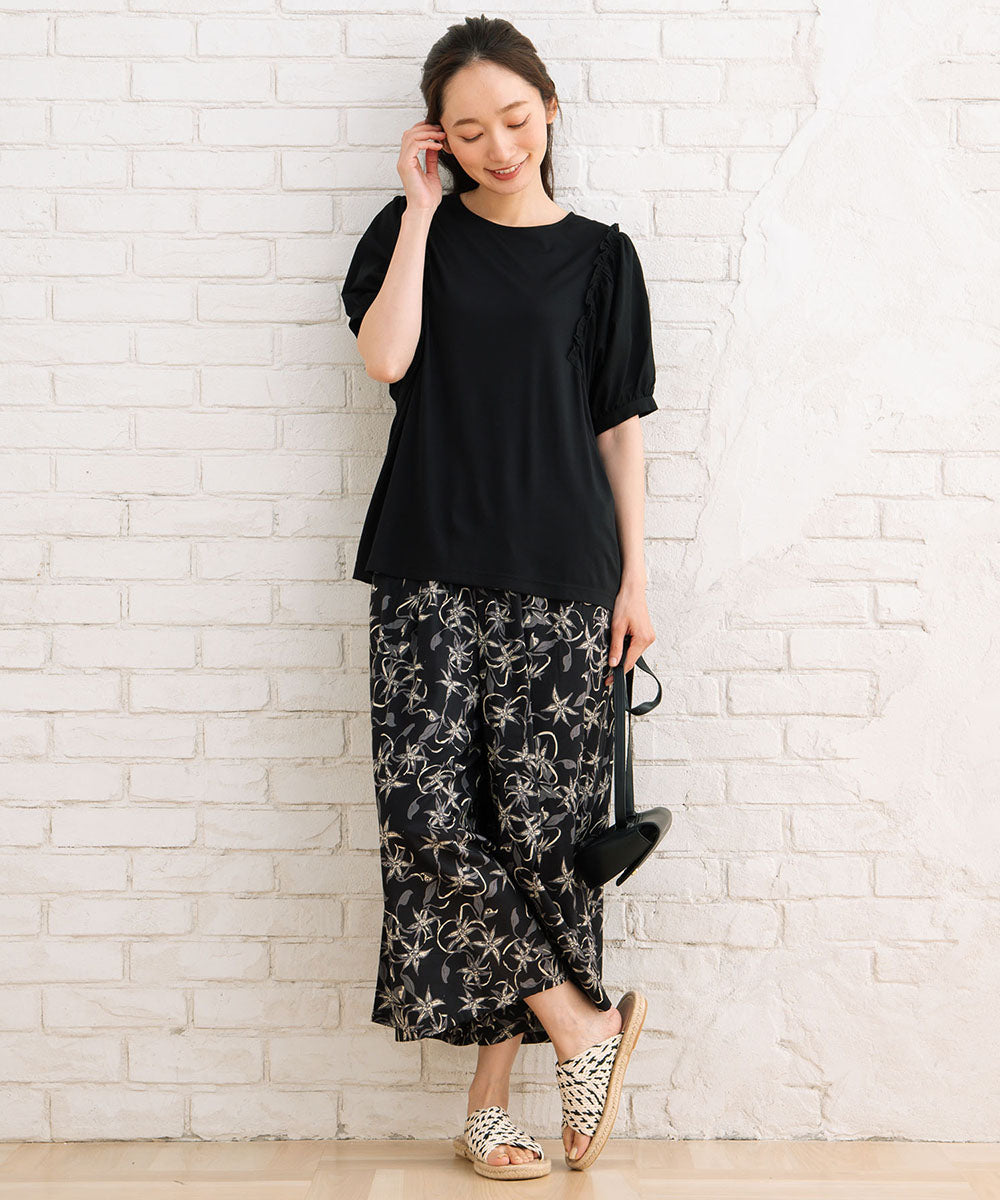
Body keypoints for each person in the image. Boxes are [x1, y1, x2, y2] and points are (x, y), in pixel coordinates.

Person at [340, 15, 656, 1178]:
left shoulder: (602, 258)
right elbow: (387, 358)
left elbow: (617, 429)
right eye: (468, 131)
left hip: (564, 578)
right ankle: (581, 1026)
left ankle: (490, 1109)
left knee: (539, 844)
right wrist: (423, 210)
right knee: (428, 816)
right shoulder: (408, 231)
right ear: (438, 139)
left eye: (515, 120)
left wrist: (636, 579)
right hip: (425, 565)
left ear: (550, 110)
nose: (499, 146)